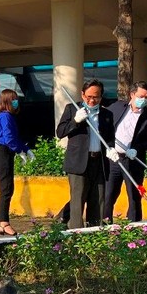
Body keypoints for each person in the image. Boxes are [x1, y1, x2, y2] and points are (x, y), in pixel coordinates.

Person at [56, 79, 116, 229]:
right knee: (77, 200)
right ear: (82, 95)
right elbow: (60, 132)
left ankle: (95, 233)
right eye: (88, 96)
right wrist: (76, 121)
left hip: (99, 162)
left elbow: (109, 138)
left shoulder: (106, 114)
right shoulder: (72, 109)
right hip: (78, 162)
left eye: (95, 97)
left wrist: (111, 149)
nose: (91, 100)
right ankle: (75, 234)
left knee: (98, 200)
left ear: (101, 97)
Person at [102, 81, 147, 222]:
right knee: (109, 194)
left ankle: (135, 225)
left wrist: (137, 150)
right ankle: (105, 223)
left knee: (134, 195)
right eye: (141, 96)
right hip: (113, 158)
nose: (144, 100)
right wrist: (108, 147)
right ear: (132, 94)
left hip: (133, 160)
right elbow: (104, 125)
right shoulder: (116, 107)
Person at [0, 89, 34, 236]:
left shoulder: (8, 117)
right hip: (2, 152)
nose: (16, 101)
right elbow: (9, 138)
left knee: (8, 188)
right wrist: (19, 151)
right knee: (6, 189)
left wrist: (26, 149)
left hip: (6, 152)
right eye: (13, 99)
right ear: (7, 101)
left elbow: (15, 138)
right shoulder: (5, 116)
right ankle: (4, 223)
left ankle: (3, 223)